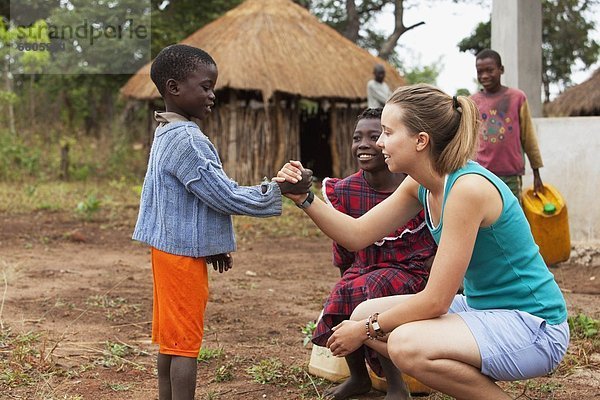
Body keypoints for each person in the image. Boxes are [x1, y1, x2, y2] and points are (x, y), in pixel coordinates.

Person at [277, 83, 569, 399]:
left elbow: (435, 301)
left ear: (421, 140)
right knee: (362, 311)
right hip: (483, 309)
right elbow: (356, 235)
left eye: (388, 132)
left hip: (534, 327)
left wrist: (363, 332)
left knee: (404, 345)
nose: (378, 142)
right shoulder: (423, 185)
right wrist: (304, 198)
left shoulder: (466, 189)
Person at [132, 44, 311, 400]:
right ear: (174, 88)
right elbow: (222, 195)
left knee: (172, 341)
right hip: (181, 258)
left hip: (170, 251)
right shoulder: (186, 139)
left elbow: (187, 201)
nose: (212, 95)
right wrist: (278, 189)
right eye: (206, 86)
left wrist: (212, 244)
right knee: (185, 345)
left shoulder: (167, 131)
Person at [312, 107, 437, 400]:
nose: (364, 144)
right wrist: (346, 282)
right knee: (345, 293)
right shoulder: (345, 190)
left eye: (375, 135)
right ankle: (359, 378)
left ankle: (397, 385)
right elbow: (343, 246)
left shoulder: (414, 186)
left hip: (410, 271)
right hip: (365, 269)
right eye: (357, 138)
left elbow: (436, 241)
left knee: (371, 293)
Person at [471, 48, 544, 200]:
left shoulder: (517, 98)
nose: (484, 76)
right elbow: (467, 139)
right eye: (480, 71)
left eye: (490, 70)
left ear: (501, 70)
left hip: (511, 175)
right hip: (482, 173)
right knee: (486, 220)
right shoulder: (473, 102)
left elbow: (528, 137)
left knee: (512, 218)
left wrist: (536, 173)